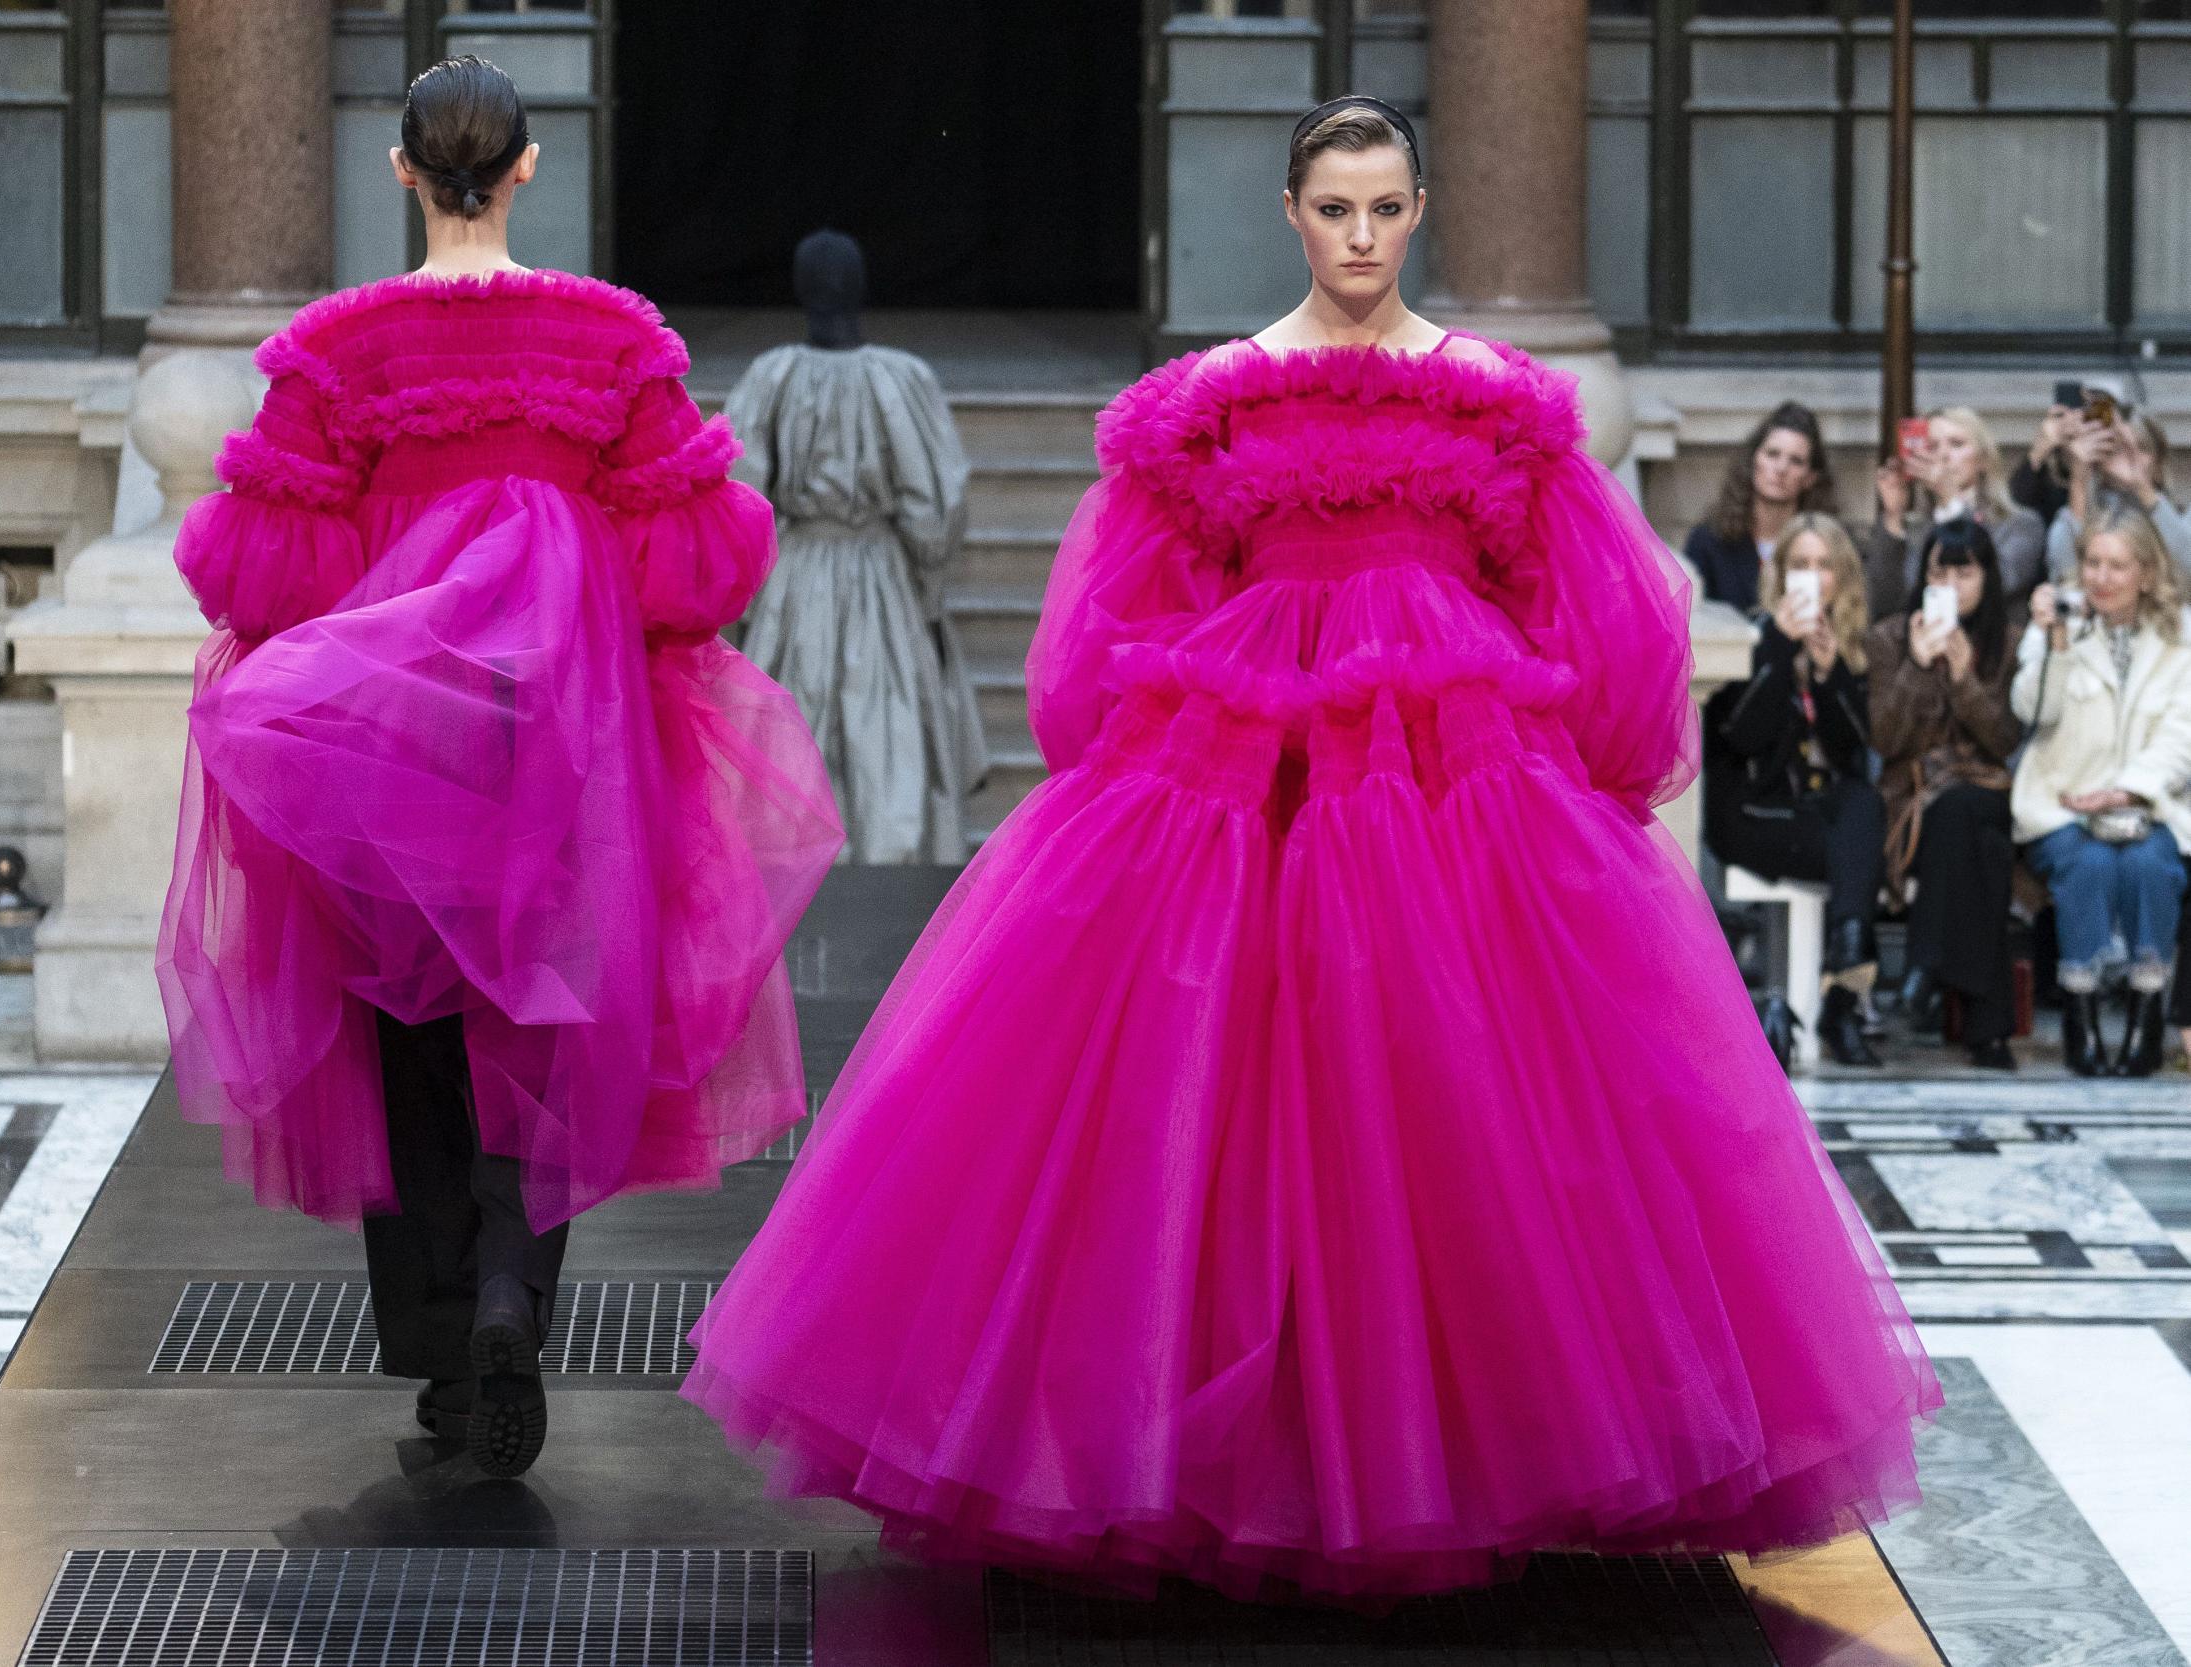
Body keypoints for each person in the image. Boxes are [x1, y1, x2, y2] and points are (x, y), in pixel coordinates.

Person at [684, 95, 1937, 1603]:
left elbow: (1595, 614)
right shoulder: (1215, 395)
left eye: (1385, 207)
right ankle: (1249, 1455)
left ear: (1419, 213)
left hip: (1457, 777)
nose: (1359, 237)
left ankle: (1477, 1448)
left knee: (1442, 1089)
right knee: (1238, 1101)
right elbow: (1106, 629)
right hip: (1247, 768)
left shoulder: (1487, 393)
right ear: (1292, 211)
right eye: (1335, 208)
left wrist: (1553, 755)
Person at [155, 58, 842, 1476]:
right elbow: (694, 558)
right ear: (527, 168)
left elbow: (263, 571)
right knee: (543, 1010)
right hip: (567, 747)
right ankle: (517, 1297)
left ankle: (444, 1343)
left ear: (402, 172)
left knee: (403, 1015)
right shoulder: (611, 342)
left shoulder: (338, 351)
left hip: (390, 751)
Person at [726, 230, 989, 863]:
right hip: (882, 576)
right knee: (887, 739)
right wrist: (924, 587)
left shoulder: (770, 376)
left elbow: (739, 494)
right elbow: (938, 506)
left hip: (795, 576)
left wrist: (752, 593)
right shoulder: (903, 380)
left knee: (792, 728)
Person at [2012, 514, 2191, 1076]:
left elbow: (2181, 733)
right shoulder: (2057, 626)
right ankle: (2080, 1011)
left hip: (2148, 800)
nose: (2102, 577)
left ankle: (2145, 1008)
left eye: (2117, 565)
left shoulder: (2180, 635)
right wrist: (2054, 644)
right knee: (2087, 864)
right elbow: (2032, 712)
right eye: (2093, 563)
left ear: (2145, 573)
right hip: (2061, 800)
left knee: (2151, 865)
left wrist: (2128, 792)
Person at [1703, 513, 1886, 1065]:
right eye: (1800, 565)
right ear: (1778, 574)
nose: (1812, 577)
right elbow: (1744, 737)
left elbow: (1853, 753)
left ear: (1842, 578)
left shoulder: (1852, 647)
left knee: (1863, 803)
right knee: (1857, 837)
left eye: (1824, 566)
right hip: (1752, 814)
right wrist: (1779, 647)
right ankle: (1845, 993)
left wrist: (1831, 678)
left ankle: (1844, 972)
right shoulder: (1752, 635)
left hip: (1817, 813)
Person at [1865, 517, 2025, 1069]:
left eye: (1965, 570)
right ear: (1924, 576)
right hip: (1911, 795)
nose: (1953, 584)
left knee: (1968, 813)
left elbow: (2005, 740)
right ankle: (1987, 1026)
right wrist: (1916, 664)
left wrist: (1963, 676)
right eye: (1941, 570)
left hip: (1984, 787)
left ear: (1987, 576)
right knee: (1984, 846)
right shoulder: (1889, 636)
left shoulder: (2008, 641)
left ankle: (1927, 965)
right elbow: (1886, 740)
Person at [1866, 404, 2045, 622]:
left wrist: (1951, 501)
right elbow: (1886, 602)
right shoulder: (1916, 528)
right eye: (1932, 446)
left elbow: (2000, 583)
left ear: (1983, 459)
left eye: (1956, 444)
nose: (1943, 455)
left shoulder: (2022, 524)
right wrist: (1893, 516)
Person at [1684, 401, 1843, 613]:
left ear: (1810, 478)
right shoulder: (1707, 542)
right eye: (1772, 454)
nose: (1781, 468)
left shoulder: (1825, 546)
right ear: (1753, 461)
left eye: (1795, 461)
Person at [2044, 410, 2191, 590]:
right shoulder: (2079, 512)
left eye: (2141, 449)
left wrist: (2143, 487)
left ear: (2159, 463)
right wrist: (2079, 483)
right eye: (2118, 448)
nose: (2130, 457)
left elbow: (2186, 572)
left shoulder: (2179, 519)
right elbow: (2065, 578)